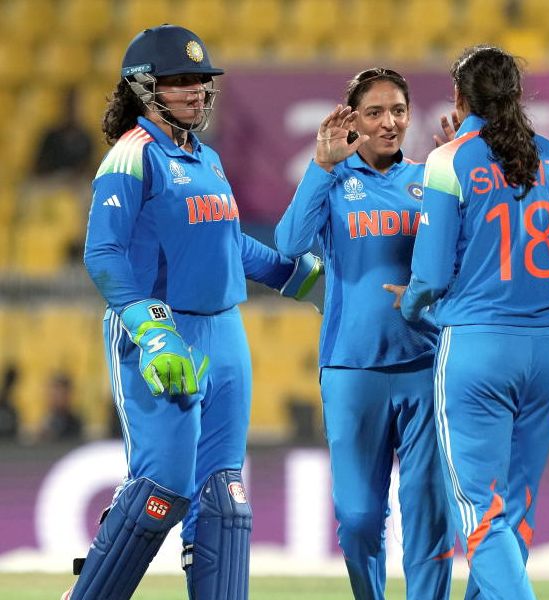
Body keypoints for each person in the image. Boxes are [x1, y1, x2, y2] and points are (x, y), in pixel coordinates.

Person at [65, 25, 322, 600]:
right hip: (164, 331)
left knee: (224, 495)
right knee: (164, 486)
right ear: (144, 88)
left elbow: (229, 244)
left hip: (225, 331)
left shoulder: (205, 157)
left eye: (201, 81)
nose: (196, 92)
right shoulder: (130, 156)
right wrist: (147, 328)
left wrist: (304, 279)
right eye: (180, 82)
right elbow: (102, 251)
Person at [387, 46, 549, 600]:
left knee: (481, 515)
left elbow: (430, 278)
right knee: (517, 505)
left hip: (477, 349)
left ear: (459, 97)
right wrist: (525, 295)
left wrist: (413, 308)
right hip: (547, 349)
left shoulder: (450, 160)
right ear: (516, 96)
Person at [274, 68, 456, 600]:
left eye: (398, 110)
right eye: (374, 112)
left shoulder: (433, 178)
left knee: (428, 514)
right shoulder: (332, 181)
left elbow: (467, 259)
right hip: (352, 369)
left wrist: (464, 171)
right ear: (352, 119)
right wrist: (320, 166)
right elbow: (289, 245)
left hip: (424, 365)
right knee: (357, 518)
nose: (389, 122)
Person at [38, 373, 83, 442]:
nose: (57, 397)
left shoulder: (75, 423)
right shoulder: (46, 420)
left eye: (61, 393)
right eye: (54, 392)